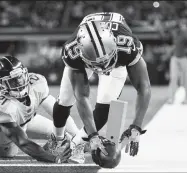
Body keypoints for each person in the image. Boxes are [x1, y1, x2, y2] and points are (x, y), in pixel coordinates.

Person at [44, 12, 151, 165]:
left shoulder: (127, 45)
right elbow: (82, 97)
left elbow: (144, 87)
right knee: (65, 100)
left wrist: (136, 126)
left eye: (106, 62)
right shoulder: (72, 51)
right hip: (91, 58)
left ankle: (77, 144)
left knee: (104, 106)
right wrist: (94, 135)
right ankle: (57, 138)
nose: (103, 69)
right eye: (97, 66)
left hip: (116, 60)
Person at [0, 55, 80, 163]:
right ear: (0, 84)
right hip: (4, 135)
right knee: (6, 153)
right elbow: (23, 142)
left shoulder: (37, 82)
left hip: (28, 121)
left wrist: (78, 137)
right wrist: (54, 158)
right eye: (12, 81)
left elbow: (59, 113)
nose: (19, 83)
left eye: (20, 77)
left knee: (63, 134)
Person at [167, 21, 187, 104]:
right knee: (173, 77)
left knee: (185, 79)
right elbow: (172, 44)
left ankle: (186, 99)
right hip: (175, 57)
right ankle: (171, 98)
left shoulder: (185, 33)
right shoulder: (174, 34)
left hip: (184, 58)